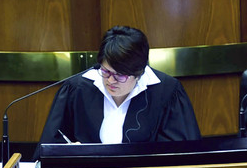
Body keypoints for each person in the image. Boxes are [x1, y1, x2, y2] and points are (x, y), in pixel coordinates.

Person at [34, 25, 200, 158]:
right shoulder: (77, 89)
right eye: (106, 71)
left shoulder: (167, 92)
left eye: (120, 75)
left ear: (139, 72)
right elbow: (49, 150)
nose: (110, 81)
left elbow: (182, 155)